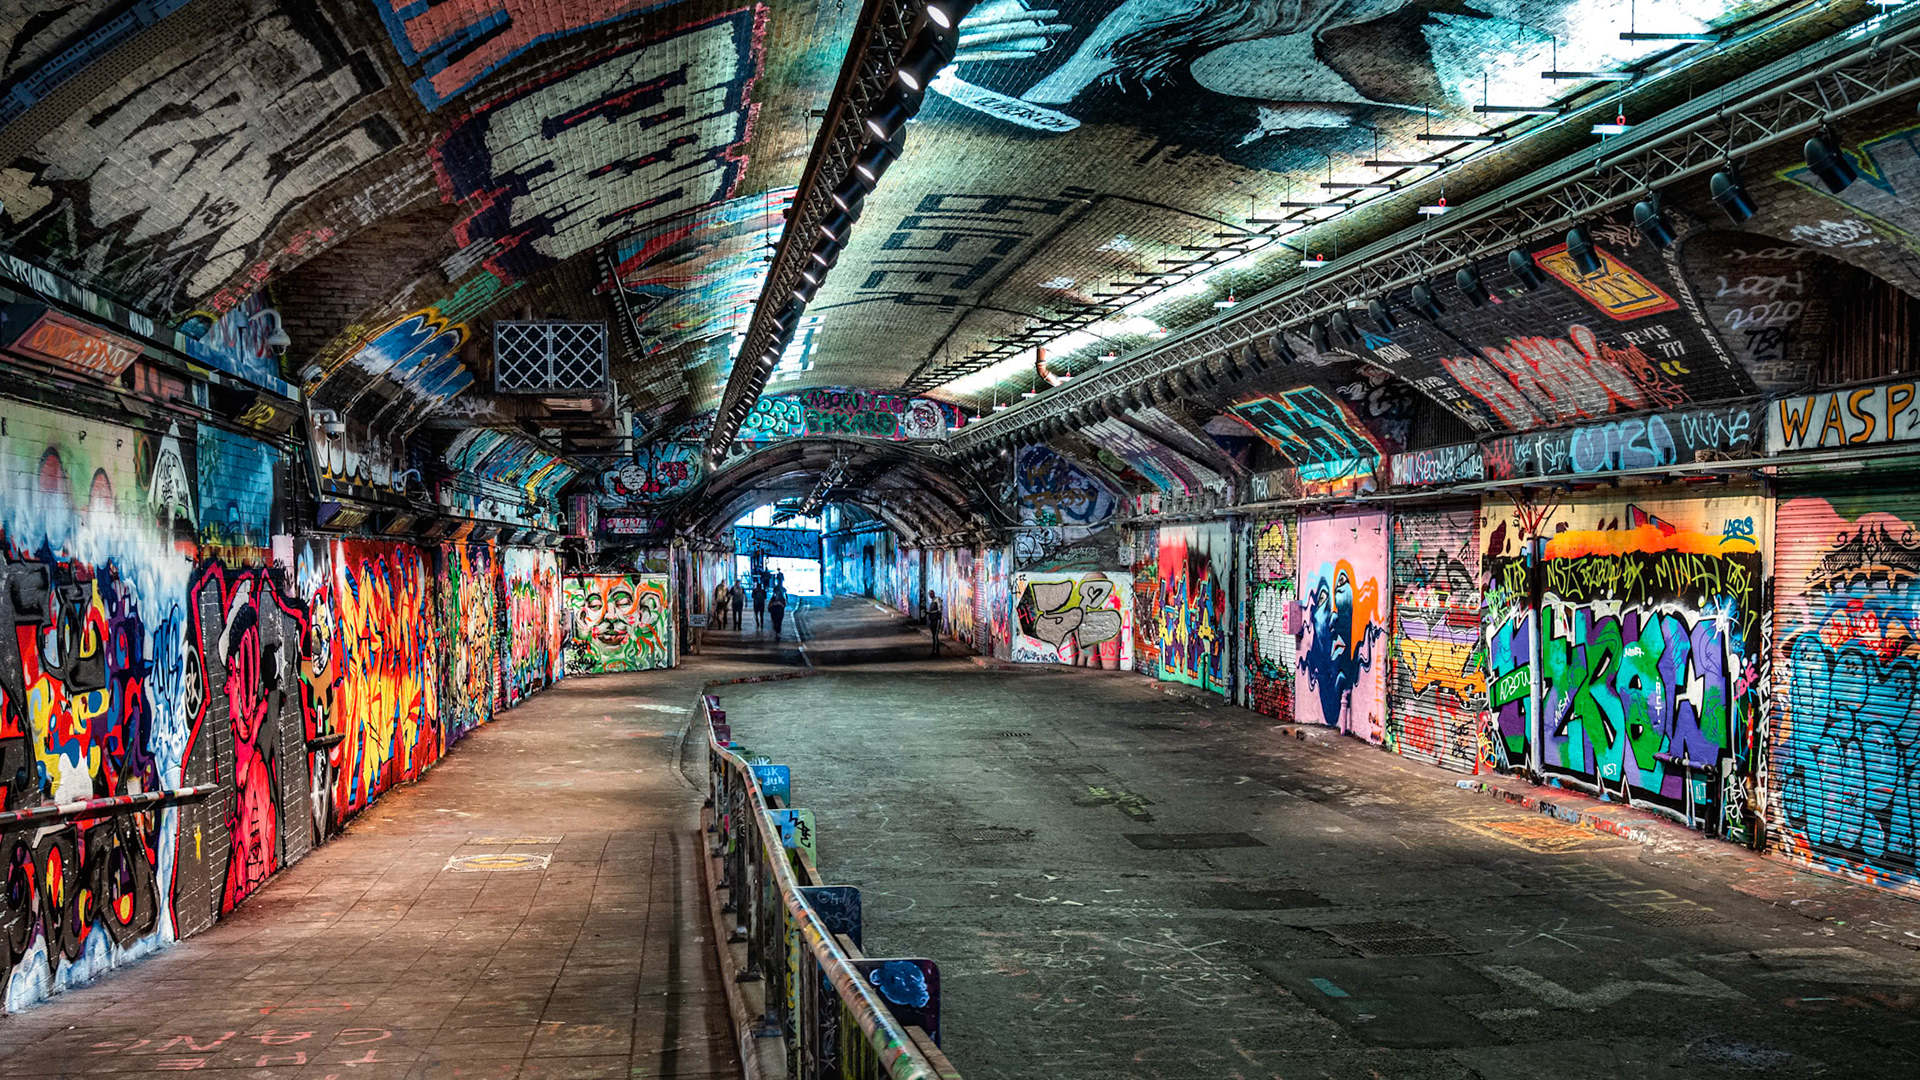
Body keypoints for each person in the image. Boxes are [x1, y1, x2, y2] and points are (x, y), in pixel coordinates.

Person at [925, 592, 943, 656]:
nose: (930, 595)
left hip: (936, 619)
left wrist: (930, 613)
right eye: (929, 594)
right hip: (932, 620)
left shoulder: (937, 600)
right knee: (934, 636)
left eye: (931, 594)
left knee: (935, 636)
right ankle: (935, 650)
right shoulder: (932, 601)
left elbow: (939, 610)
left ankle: (935, 651)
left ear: (934, 594)